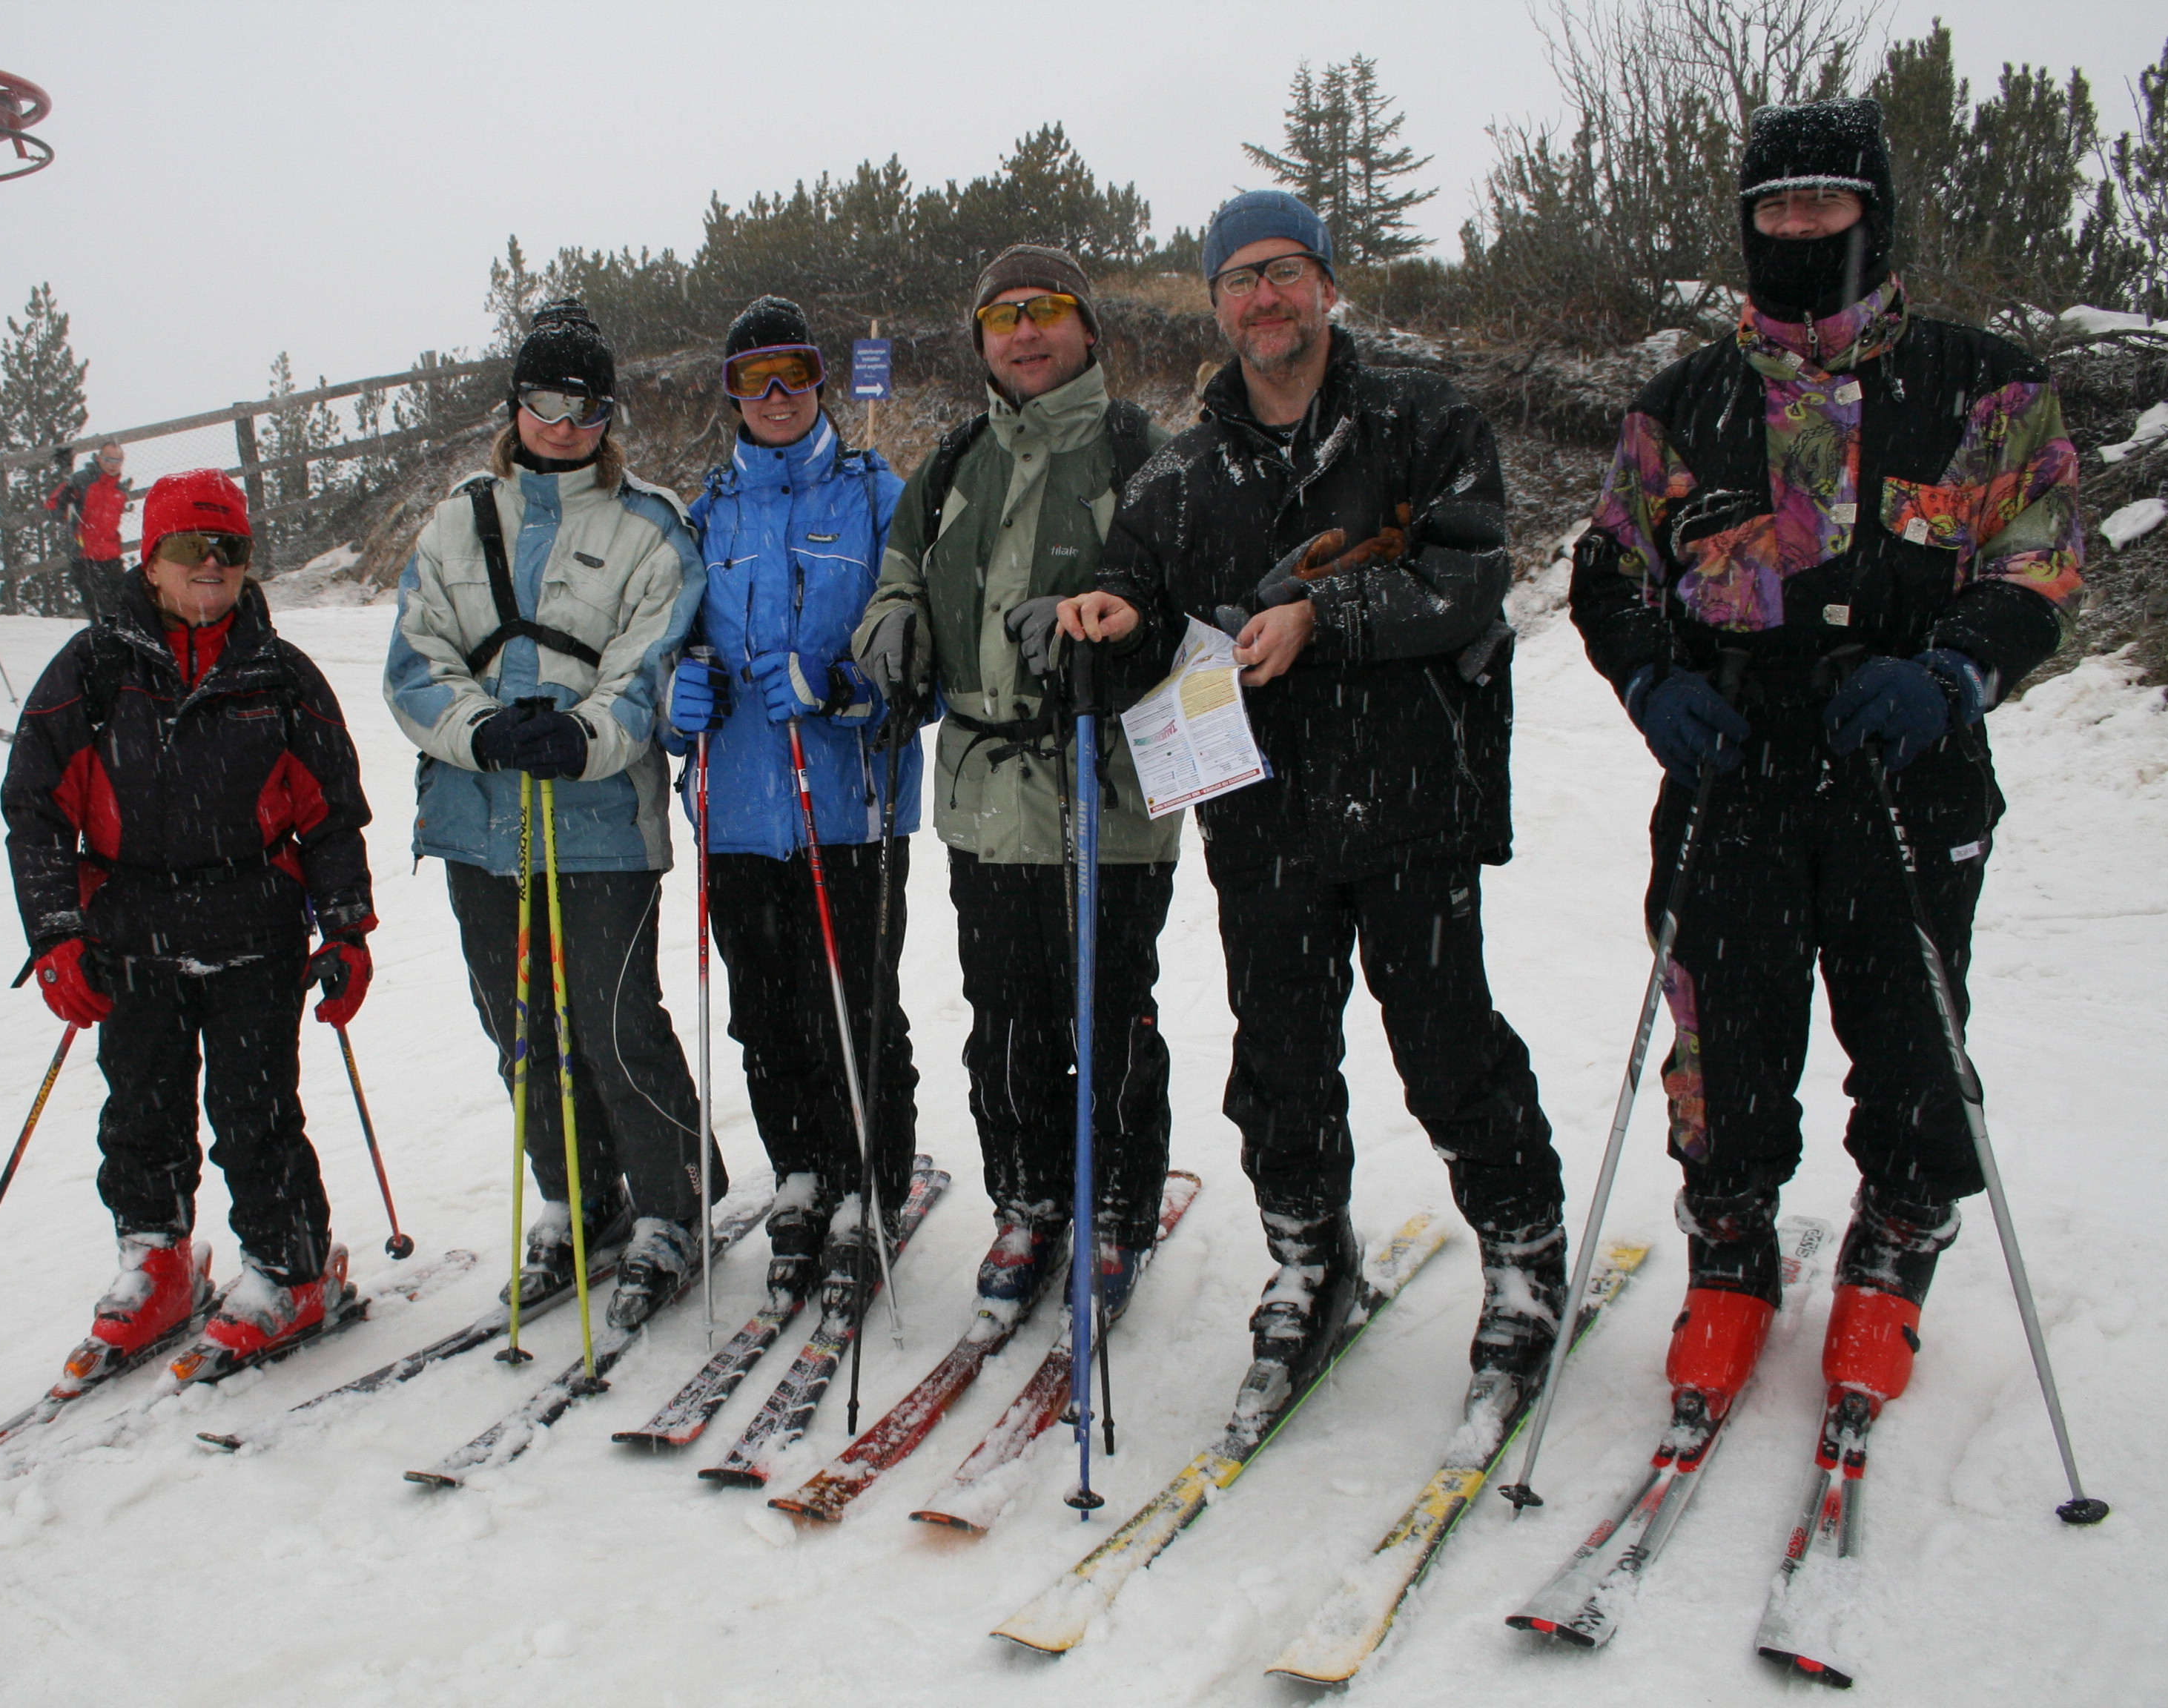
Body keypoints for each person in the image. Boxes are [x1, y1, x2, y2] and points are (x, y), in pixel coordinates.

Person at [1567, 99, 2083, 1426]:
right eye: (1775, 205)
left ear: (1873, 214)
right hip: (1735, 762)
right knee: (1721, 1027)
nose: (1799, 225)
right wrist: (1652, 678)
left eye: (1824, 201)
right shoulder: (1684, 402)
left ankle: (1897, 1238)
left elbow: (2040, 558)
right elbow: (1612, 569)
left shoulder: (1984, 385)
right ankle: (1731, 1244)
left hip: (1903, 761)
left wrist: (1955, 669)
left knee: (1910, 1024)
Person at [1065, 189, 1564, 1395]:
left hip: (1414, 799)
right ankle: (1307, 1251)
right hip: (1263, 818)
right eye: (1240, 279)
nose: (1265, 297)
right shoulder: (1178, 478)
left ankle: (1522, 1248)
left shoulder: (1423, 421)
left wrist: (1324, 615)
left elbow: (1468, 575)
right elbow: (1136, 608)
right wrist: (1107, 621)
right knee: (1280, 1060)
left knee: (1447, 1044)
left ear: (1328, 284)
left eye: (1285, 270)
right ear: (1217, 304)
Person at [851, 245, 1177, 1325]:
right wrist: (893, 625)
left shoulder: (1143, 457)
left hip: (1106, 790)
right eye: (1002, 316)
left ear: (1088, 327)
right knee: (1004, 1018)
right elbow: (900, 572)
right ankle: (1029, 1198)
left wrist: (1108, 630)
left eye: (1046, 310)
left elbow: (1191, 607)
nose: (1025, 332)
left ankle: (1117, 1204)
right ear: (981, 339)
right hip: (984, 794)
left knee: (1109, 1016)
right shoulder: (953, 463)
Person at [1, 469, 377, 1382]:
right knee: (141, 1109)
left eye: (229, 548)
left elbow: (331, 815)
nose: (210, 565)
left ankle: (293, 1271)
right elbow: (35, 808)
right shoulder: (91, 670)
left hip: (255, 932)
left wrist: (347, 929)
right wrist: (55, 934)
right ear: (150, 560)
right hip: (130, 936)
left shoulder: (280, 675)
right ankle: (158, 1261)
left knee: (255, 1115)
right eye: (187, 547)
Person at [385, 299, 716, 1331]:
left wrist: (582, 737)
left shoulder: (649, 526)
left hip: (601, 822)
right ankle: (580, 1196)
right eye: (543, 401)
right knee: (521, 1029)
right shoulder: (456, 521)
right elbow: (414, 663)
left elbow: (648, 668)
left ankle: (671, 1205)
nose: (563, 425)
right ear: (513, 404)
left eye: (585, 407)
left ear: (608, 416)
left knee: (616, 1024)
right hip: (479, 820)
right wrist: (481, 730)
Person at [667, 295, 917, 1304]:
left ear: (821, 379)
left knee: (851, 1009)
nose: (776, 395)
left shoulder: (878, 497)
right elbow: (661, 648)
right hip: (736, 811)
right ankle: (802, 1176)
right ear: (729, 392)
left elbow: (928, 662)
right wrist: (674, 697)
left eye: (795, 372)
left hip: (847, 808)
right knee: (764, 1015)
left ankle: (868, 1185)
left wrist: (846, 687)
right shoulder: (704, 515)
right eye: (752, 377)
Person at [44, 440, 136, 625]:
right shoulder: (81, 481)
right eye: (108, 459)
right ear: (99, 458)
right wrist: (65, 504)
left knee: (121, 609)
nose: (112, 465)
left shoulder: (119, 491)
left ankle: (117, 639)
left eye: (117, 460)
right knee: (99, 614)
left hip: (111, 557)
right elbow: (53, 507)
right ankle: (101, 639)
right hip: (85, 557)